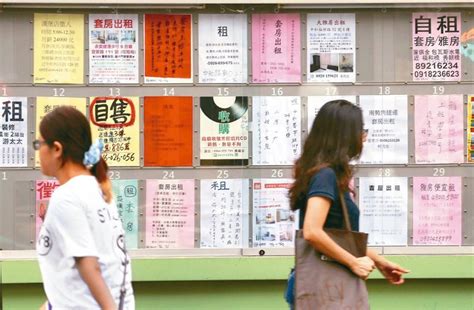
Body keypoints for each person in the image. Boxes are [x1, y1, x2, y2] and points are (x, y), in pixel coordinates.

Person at [285, 100, 409, 308]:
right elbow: (312, 232)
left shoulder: (326, 173)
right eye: (361, 130)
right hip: (326, 287)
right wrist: (354, 262)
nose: (364, 136)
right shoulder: (325, 176)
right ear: (345, 135)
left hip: (327, 286)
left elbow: (340, 235)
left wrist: (380, 262)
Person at [35, 106, 135, 309]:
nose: (37, 151)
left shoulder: (67, 197)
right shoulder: (98, 188)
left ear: (57, 149)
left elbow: (89, 266)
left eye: (39, 144)